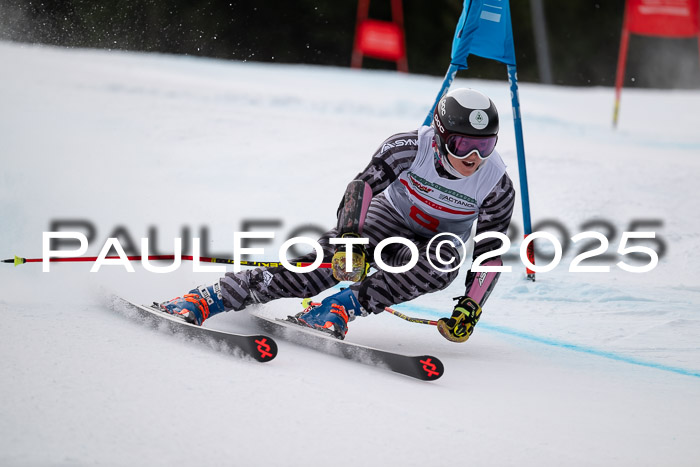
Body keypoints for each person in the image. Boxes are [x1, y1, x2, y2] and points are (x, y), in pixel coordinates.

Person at [160, 88, 515, 343]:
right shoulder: (409, 147)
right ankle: (213, 296)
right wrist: (350, 239)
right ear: (440, 137)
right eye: (463, 145)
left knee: (443, 261)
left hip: (435, 243)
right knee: (325, 267)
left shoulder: (496, 183)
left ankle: (338, 309)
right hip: (387, 218)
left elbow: (490, 252)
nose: (474, 158)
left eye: (485, 145)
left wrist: (471, 305)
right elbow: (361, 189)